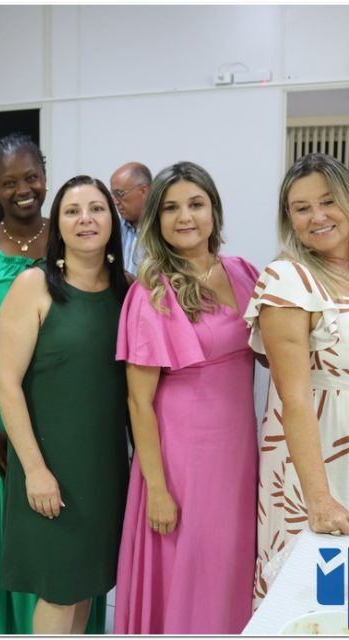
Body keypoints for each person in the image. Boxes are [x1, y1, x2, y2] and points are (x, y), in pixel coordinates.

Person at [0, 133, 106, 634]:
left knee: (65, 543)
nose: (23, 189)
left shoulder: (71, 237)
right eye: (9, 182)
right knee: (7, 534)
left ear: (45, 177)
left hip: (64, 420)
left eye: (31, 177)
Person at [113, 161, 258, 634]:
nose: (185, 217)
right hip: (181, 458)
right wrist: (157, 489)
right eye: (171, 208)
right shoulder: (152, 291)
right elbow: (138, 402)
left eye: (196, 204)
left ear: (214, 210)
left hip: (237, 452)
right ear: (156, 219)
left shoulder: (243, 272)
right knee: (188, 568)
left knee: (230, 564)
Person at [0, 175, 130, 634]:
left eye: (97, 208)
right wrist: (35, 470)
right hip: (51, 464)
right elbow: (5, 384)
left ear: (112, 220)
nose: (85, 219)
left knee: (86, 584)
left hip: (104, 468)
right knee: (59, 589)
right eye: (72, 211)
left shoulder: (125, 290)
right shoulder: (34, 285)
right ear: (58, 225)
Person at [244, 153, 349, 606]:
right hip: (317, 463)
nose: (317, 216)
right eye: (301, 208)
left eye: (328, 201)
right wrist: (319, 500)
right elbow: (295, 399)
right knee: (319, 605)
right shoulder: (287, 279)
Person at [110, 162, 152, 275]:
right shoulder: (113, 230)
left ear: (144, 191)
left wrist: (135, 284)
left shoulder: (163, 230)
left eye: (120, 193)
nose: (115, 202)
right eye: (113, 195)